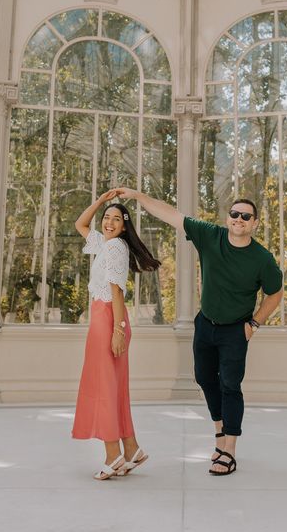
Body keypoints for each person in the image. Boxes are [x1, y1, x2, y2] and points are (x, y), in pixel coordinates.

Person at [116, 187, 283, 476]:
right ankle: (219, 432)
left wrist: (253, 324)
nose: (238, 219)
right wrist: (138, 196)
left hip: (235, 331)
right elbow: (170, 214)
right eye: (234, 214)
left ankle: (229, 450)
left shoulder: (262, 259)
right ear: (228, 218)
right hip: (205, 324)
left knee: (230, 385)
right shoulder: (211, 236)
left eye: (246, 216)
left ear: (254, 223)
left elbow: (275, 294)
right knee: (205, 378)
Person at [71, 189, 161, 479]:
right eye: (106, 218)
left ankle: (113, 456)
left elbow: (116, 291)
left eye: (115, 219)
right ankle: (131, 448)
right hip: (105, 319)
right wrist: (99, 202)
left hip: (108, 319)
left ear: (125, 226)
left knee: (103, 388)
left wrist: (118, 330)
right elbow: (81, 225)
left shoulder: (113, 248)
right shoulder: (106, 243)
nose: (108, 222)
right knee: (113, 388)